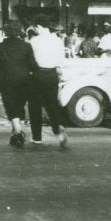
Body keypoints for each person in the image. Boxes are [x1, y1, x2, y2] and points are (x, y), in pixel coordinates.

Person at [0, 20, 36, 148]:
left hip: (6, 80)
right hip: (23, 80)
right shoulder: (26, 46)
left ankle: (18, 131)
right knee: (19, 105)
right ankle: (14, 135)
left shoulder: (1, 46)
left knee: (11, 106)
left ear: (7, 33)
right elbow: (32, 65)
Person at [28, 14, 67, 147]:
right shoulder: (57, 40)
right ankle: (58, 129)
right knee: (52, 105)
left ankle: (37, 137)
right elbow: (61, 60)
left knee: (35, 106)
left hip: (38, 75)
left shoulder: (33, 41)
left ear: (38, 26)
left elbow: (30, 60)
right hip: (52, 74)